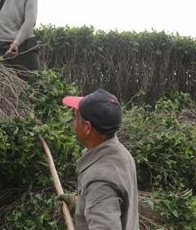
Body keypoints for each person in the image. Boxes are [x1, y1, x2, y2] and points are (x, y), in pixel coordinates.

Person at [59, 88, 139, 230]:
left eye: (75, 117)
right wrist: (81, 203)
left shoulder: (100, 179)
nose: (73, 122)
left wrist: (95, 194)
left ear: (87, 127)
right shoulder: (120, 154)